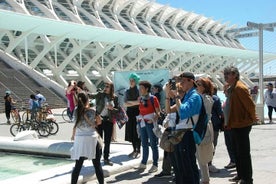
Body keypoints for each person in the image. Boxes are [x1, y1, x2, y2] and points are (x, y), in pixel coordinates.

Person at [224, 66, 258, 184]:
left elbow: (250, 105)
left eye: (227, 74)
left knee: (243, 153)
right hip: (234, 124)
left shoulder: (239, 87)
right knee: (237, 152)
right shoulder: (232, 88)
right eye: (225, 74)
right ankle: (240, 175)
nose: (225, 76)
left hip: (242, 124)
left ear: (234, 74)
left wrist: (253, 118)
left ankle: (247, 178)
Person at [165, 72, 201, 184]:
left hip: (187, 134)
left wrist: (176, 96)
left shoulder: (194, 96)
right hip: (181, 134)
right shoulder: (187, 96)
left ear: (191, 81)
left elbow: (183, 112)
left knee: (187, 166)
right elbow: (169, 110)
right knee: (180, 166)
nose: (181, 83)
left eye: (183, 81)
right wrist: (167, 95)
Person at [70, 92, 104, 184]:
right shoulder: (92, 110)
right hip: (92, 139)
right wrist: (93, 123)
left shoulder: (76, 110)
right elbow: (99, 122)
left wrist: (73, 135)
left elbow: (75, 124)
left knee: (78, 166)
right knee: (97, 165)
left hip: (80, 139)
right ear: (87, 100)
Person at [88, 81, 119, 166]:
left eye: (107, 86)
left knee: (107, 141)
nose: (105, 87)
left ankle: (106, 158)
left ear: (111, 88)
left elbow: (118, 110)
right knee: (99, 140)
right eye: (105, 86)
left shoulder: (114, 98)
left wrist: (112, 109)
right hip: (99, 120)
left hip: (108, 121)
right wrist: (81, 91)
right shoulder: (100, 94)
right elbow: (90, 95)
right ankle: (98, 158)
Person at [136, 80, 160, 173]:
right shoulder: (140, 99)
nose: (140, 90)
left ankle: (155, 164)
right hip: (142, 122)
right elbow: (141, 111)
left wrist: (153, 119)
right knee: (144, 144)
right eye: (140, 88)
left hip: (150, 123)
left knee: (153, 144)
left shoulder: (153, 98)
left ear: (146, 89)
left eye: (141, 88)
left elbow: (158, 112)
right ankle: (143, 163)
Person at [195, 77, 215, 184]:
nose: (196, 86)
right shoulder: (201, 97)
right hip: (201, 127)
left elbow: (204, 114)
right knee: (199, 153)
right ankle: (204, 178)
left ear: (204, 87)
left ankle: (205, 178)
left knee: (201, 153)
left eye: (199, 84)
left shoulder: (205, 98)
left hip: (202, 127)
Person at [124, 73, 141, 158]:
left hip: (137, 113)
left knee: (137, 131)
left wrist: (131, 103)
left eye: (133, 80)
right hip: (130, 113)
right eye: (130, 80)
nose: (131, 82)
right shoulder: (127, 91)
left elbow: (139, 103)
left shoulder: (139, 91)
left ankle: (138, 150)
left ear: (136, 81)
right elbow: (125, 104)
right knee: (131, 131)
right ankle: (134, 149)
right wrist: (134, 103)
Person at [208, 84, 223, 173]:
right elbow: (220, 112)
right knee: (213, 144)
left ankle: (205, 163)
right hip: (214, 124)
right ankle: (209, 163)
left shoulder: (202, 97)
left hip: (205, 124)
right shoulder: (216, 99)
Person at [222, 82, 236, 169]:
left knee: (232, 145)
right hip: (226, 125)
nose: (224, 92)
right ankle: (233, 160)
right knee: (229, 144)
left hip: (231, 126)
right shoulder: (227, 99)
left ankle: (234, 161)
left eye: (225, 90)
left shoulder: (232, 100)